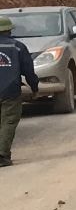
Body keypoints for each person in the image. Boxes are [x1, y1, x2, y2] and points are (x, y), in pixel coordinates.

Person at [0, 16, 40, 168]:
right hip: (10, 91)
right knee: (8, 122)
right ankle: (2, 155)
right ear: (9, 30)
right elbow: (28, 71)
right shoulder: (18, 47)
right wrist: (35, 87)